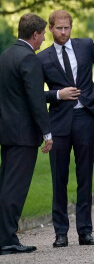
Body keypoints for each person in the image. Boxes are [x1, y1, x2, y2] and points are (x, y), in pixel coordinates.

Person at [38, 10, 94, 248]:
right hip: (58, 122)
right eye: (59, 28)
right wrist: (58, 94)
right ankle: (60, 233)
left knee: (85, 177)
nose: (63, 32)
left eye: (67, 28)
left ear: (72, 27)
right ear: (50, 28)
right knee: (59, 179)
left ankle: (85, 231)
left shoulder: (86, 46)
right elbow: (34, 94)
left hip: (85, 118)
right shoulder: (41, 58)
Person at [0, 13, 53, 255]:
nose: (44, 39)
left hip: (7, 130)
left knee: (6, 184)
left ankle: (4, 236)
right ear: (35, 34)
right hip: (23, 134)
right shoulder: (29, 59)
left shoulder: (6, 55)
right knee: (15, 188)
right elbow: (35, 99)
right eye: (43, 34)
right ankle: (8, 239)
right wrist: (46, 132)